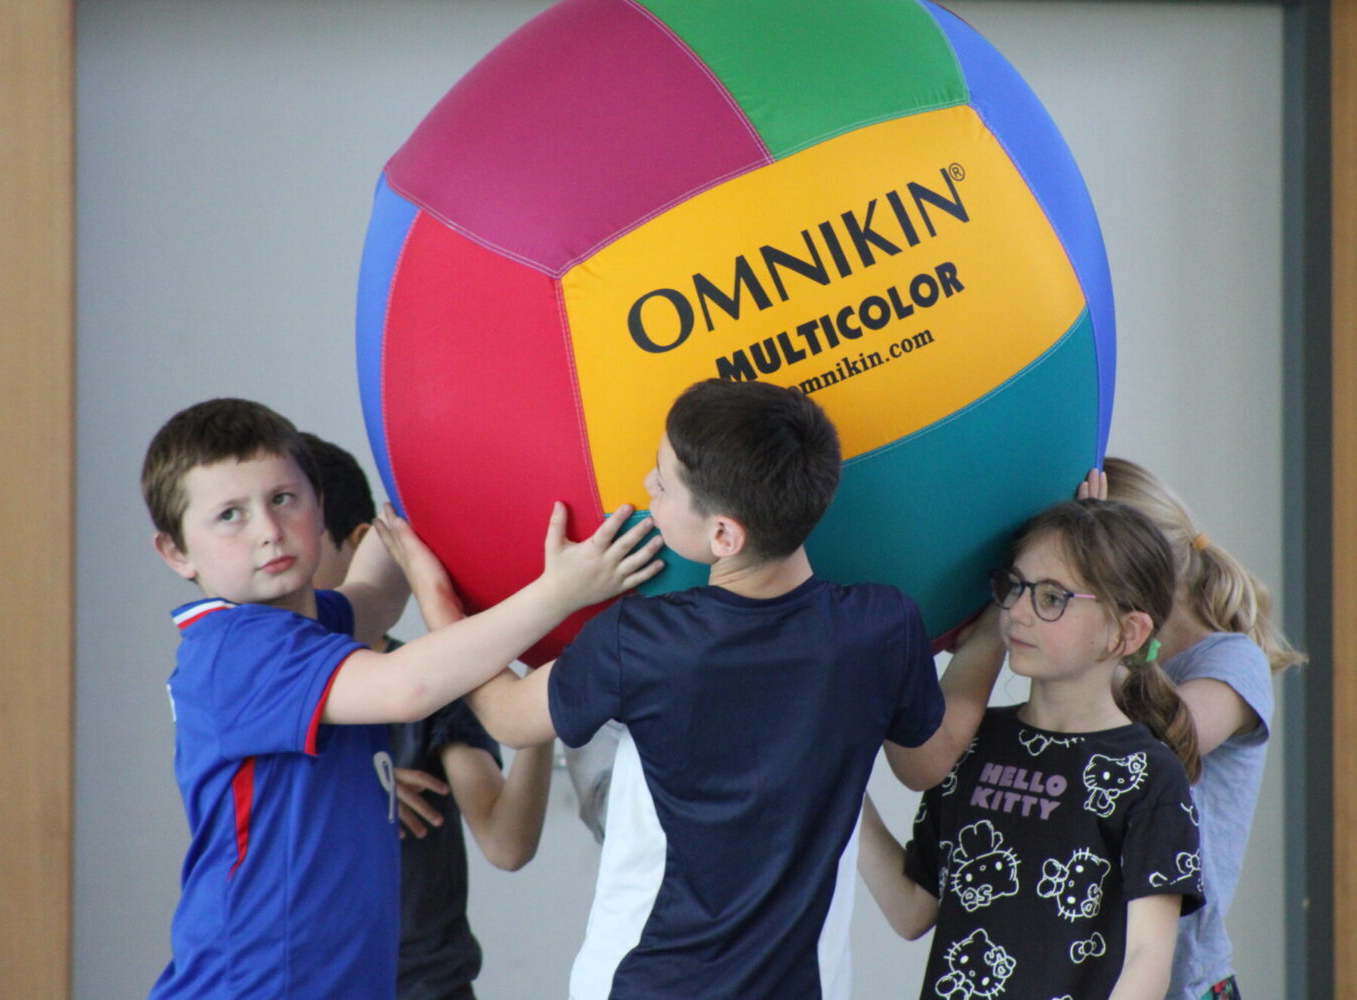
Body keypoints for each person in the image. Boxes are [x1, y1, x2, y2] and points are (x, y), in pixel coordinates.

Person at [385, 378, 996, 1000]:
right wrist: (992, 635)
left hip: (643, 984)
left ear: (724, 536)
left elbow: (506, 716)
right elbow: (925, 764)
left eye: (662, 484)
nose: (646, 486)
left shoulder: (641, 639)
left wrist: (438, 590)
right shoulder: (881, 627)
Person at [141, 398, 661, 1000]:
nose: (268, 530)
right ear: (176, 552)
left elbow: (378, 596)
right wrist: (560, 592)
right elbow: (408, 687)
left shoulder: (311, 626)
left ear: (319, 503)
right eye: (230, 515)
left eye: (283, 499)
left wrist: (437, 453)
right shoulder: (234, 649)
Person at [859, 498, 1206, 1000]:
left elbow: (1148, 959)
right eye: (1015, 587)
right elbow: (912, 909)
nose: (1018, 612)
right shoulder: (972, 744)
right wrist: (839, 780)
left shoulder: (1150, 775)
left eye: (1052, 598)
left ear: (1126, 632)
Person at [302, 432, 555, 1000]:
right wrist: (358, 788)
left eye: (304, 534)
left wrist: (538, 706)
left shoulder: (434, 680)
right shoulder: (265, 682)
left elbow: (507, 843)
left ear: (362, 543)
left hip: (426, 985)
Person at [1080, 458, 1306, 1000]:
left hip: (1185, 978)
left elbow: (1166, 744)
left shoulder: (1232, 661)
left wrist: (1105, 648)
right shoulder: (1116, 662)